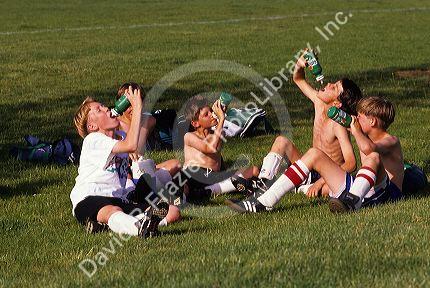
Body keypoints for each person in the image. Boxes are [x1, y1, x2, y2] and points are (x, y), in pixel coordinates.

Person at [227, 96, 404, 213]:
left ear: (372, 121)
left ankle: (351, 202)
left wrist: (355, 130)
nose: (356, 119)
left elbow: (369, 149)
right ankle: (263, 202)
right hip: (363, 192)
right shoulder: (364, 135)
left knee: (373, 157)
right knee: (314, 154)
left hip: (385, 195)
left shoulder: (391, 140)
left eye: (360, 116)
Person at [257, 49, 362, 198]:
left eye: (335, 87)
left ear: (338, 103)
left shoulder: (338, 124)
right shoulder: (319, 102)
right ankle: (262, 185)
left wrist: (321, 182)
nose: (330, 84)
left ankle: (298, 188)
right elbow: (298, 79)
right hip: (309, 168)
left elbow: (351, 163)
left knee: (328, 190)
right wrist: (300, 65)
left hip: (326, 175)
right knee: (282, 141)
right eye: (334, 83)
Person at [71, 86, 170, 237]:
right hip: (89, 199)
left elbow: (134, 147)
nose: (106, 109)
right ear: (92, 126)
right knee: (112, 211)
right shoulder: (93, 140)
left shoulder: (121, 136)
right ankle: (140, 228)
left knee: (173, 212)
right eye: (99, 110)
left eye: (104, 106)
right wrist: (136, 108)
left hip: (118, 198)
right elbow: (131, 145)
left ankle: (112, 226)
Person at [115, 82, 181, 225]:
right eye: (128, 104)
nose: (132, 108)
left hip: (143, 168)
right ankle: (165, 198)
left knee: (175, 164)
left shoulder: (149, 121)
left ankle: (163, 197)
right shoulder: (115, 125)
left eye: (136, 103)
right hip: (124, 172)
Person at [181, 94, 260, 203]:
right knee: (183, 183)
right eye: (206, 114)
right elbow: (210, 148)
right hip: (195, 175)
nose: (212, 115)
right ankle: (233, 186)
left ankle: (208, 191)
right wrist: (221, 118)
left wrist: (222, 113)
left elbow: (216, 149)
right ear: (195, 123)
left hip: (214, 177)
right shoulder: (189, 136)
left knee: (254, 171)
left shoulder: (217, 134)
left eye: (211, 111)